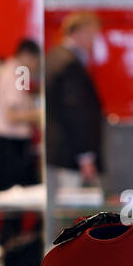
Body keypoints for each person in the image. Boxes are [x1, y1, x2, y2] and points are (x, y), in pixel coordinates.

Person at [45, 12, 104, 199]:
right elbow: (75, 112)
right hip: (71, 153)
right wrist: (85, 156)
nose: (93, 40)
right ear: (79, 32)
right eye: (92, 34)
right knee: (72, 209)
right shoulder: (70, 63)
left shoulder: (55, 56)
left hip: (60, 150)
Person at [0, 38, 41, 190]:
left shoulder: (15, 70)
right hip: (11, 143)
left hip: (12, 142)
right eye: (35, 61)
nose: (35, 66)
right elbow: (12, 117)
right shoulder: (14, 74)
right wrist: (40, 115)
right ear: (26, 55)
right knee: (13, 195)